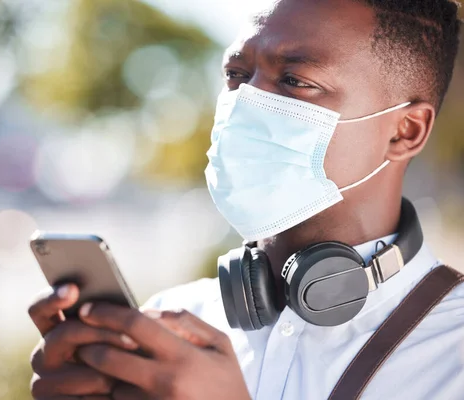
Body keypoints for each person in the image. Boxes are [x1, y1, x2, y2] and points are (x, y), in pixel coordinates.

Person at [27, 0, 464, 399]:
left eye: (295, 80)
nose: (245, 103)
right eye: (237, 75)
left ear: (405, 131)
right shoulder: (169, 324)